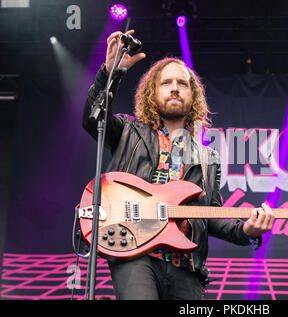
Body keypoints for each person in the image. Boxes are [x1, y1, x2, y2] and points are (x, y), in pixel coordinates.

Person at [82, 30, 275, 300]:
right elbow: (93, 120)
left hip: (187, 267)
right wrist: (109, 73)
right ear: (153, 93)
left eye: (182, 84)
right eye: (166, 83)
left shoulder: (208, 159)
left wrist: (247, 231)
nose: (174, 88)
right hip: (136, 256)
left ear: (193, 96)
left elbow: (211, 218)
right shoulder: (128, 131)